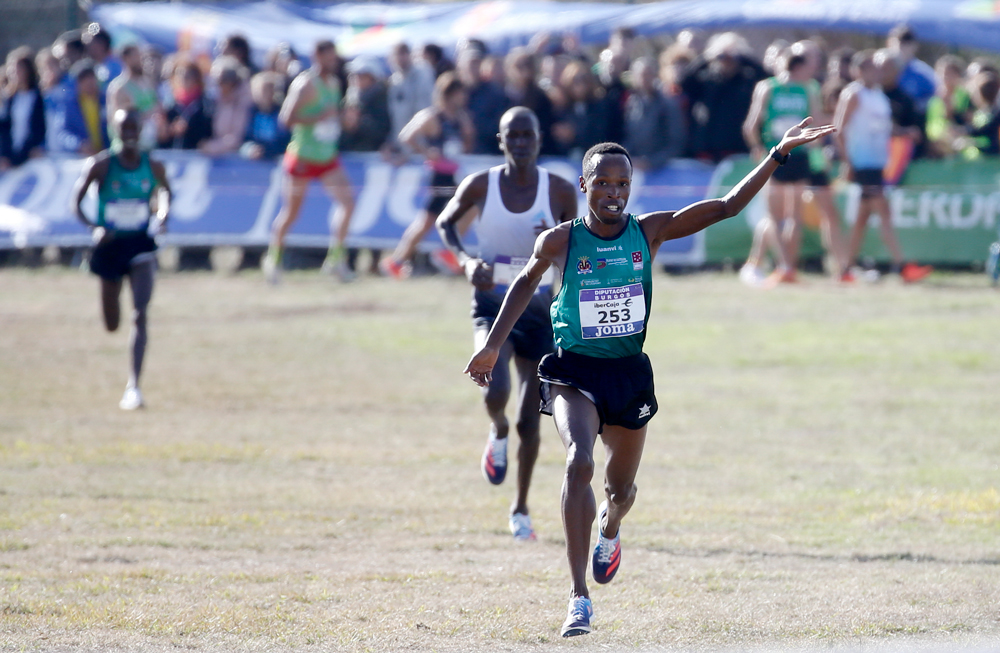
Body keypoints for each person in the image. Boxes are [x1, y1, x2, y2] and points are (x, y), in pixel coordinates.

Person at [464, 119, 834, 638]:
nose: (613, 193)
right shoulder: (560, 241)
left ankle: (611, 527)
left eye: (622, 184)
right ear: (584, 186)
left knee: (620, 490)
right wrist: (491, 345)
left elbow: (727, 206)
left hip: (628, 374)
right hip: (573, 370)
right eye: (603, 183)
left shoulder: (649, 230)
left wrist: (777, 153)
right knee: (579, 462)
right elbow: (524, 285)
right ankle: (578, 598)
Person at [435, 106, 577, 541]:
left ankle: (520, 509)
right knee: (495, 390)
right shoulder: (481, 184)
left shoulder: (559, 190)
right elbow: (445, 222)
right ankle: (496, 430)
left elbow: (575, 247)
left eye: (526, 135)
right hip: (492, 304)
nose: (519, 142)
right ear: (500, 140)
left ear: (538, 139)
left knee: (530, 421)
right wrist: (466, 261)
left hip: (540, 313)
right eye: (511, 135)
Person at [72, 109, 171, 411]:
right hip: (110, 246)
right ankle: (130, 380)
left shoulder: (152, 164)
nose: (129, 133)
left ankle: (134, 387)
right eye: (123, 128)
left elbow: (166, 192)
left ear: (141, 131)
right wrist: (94, 228)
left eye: (133, 128)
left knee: (140, 313)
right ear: (114, 130)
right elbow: (76, 202)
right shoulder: (101, 165)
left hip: (140, 243)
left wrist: (162, 216)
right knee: (112, 323)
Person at [833, 50, 931, 282]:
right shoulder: (853, 94)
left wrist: (905, 132)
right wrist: (847, 162)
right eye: (872, 68)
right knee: (884, 212)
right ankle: (902, 265)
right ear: (859, 71)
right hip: (862, 162)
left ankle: (845, 269)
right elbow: (839, 128)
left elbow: (885, 126)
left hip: (877, 162)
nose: (877, 72)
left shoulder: (878, 95)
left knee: (862, 219)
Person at [263, 40, 356, 283]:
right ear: (317, 56)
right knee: (292, 213)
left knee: (348, 203)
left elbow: (332, 117)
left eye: (334, 57)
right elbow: (286, 119)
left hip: (327, 155)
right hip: (303, 156)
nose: (333, 62)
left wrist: (343, 120)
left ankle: (336, 259)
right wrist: (318, 117)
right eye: (329, 57)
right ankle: (274, 259)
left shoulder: (333, 83)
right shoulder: (305, 84)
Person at [380, 72, 474, 279]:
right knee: (428, 221)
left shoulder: (461, 117)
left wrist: (466, 136)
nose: (463, 98)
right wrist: (427, 152)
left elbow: (467, 143)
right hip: (439, 175)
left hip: (454, 173)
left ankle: (410, 259)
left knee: (466, 210)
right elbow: (407, 136)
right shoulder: (433, 116)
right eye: (460, 94)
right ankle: (401, 260)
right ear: (450, 94)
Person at [0, 48, 47, 170]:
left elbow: (38, 128)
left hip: (30, 155)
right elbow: (5, 129)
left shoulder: (38, 97)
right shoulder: (9, 98)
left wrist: (23, 154)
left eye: (19, 69)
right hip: (10, 156)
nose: (15, 73)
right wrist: (6, 155)